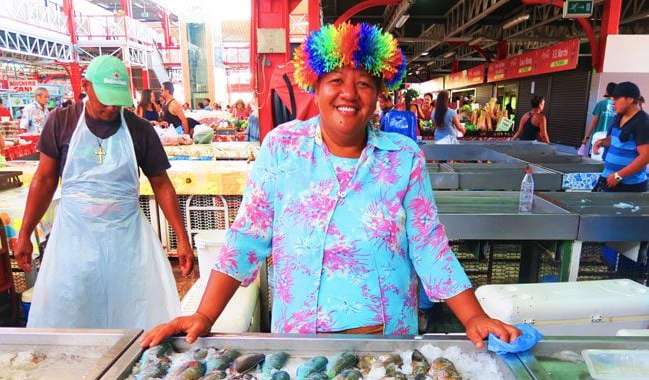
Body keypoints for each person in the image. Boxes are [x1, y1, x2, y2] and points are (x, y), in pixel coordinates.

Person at [141, 22, 519, 348]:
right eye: (336, 80)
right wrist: (205, 315)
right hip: (301, 342)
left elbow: (428, 243)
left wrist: (473, 318)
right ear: (317, 87)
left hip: (386, 342)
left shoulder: (403, 157)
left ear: (378, 95)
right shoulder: (283, 148)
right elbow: (247, 236)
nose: (349, 94)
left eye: (364, 84)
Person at [14, 55, 194, 329]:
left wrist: (182, 238)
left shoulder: (139, 129)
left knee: (133, 308)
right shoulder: (61, 122)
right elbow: (45, 180)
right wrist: (25, 233)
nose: (111, 107)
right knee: (73, 306)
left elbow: (161, 183)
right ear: (86, 86)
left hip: (126, 240)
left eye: (117, 100)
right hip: (74, 239)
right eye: (105, 98)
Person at [592, 81, 649, 193]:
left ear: (630, 99)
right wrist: (601, 142)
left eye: (616, 99)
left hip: (629, 184)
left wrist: (619, 176)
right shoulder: (619, 116)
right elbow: (616, 139)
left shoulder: (642, 122)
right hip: (607, 177)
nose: (613, 102)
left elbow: (645, 156)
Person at [582, 82, 616, 148]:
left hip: (598, 137)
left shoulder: (600, 104)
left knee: (595, 156)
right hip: (611, 139)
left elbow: (594, 122)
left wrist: (587, 137)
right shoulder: (618, 106)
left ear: (607, 91)